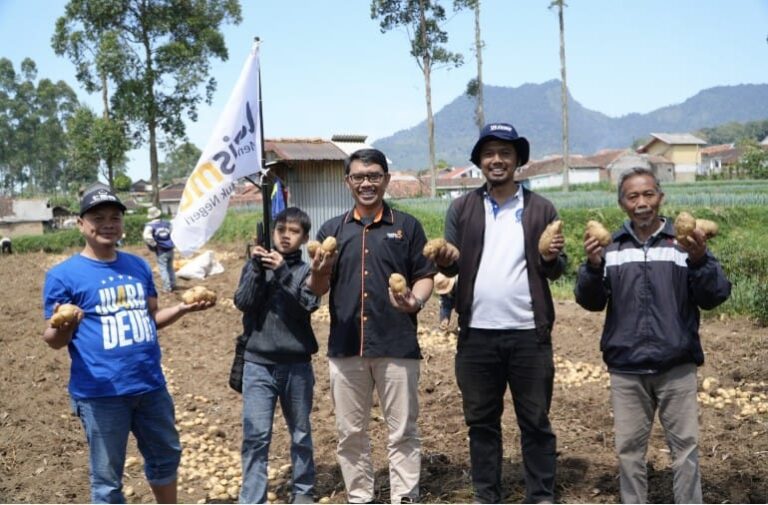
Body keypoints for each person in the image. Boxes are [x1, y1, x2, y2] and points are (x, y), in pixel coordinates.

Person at [41, 187, 214, 504]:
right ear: (81, 224)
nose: (108, 224)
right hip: (101, 394)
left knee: (165, 458)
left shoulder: (138, 267)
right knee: (107, 479)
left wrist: (181, 310)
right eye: (98, 218)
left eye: (115, 217)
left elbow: (149, 319)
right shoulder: (63, 276)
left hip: (150, 386)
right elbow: (52, 340)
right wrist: (65, 326)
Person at [574, 167, 732, 504]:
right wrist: (591, 265)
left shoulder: (685, 243)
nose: (642, 202)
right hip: (627, 369)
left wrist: (701, 259)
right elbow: (589, 301)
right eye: (633, 196)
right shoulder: (612, 248)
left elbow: (715, 295)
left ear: (660, 197)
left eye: (648, 194)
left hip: (676, 366)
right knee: (629, 452)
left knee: (686, 448)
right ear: (622, 203)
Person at [432, 123, 566, 504]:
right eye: (489, 153)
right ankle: (487, 496)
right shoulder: (462, 208)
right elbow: (453, 265)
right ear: (479, 162)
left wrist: (550, 257)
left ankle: (540, 495)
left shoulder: (541, 209)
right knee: (481, 424)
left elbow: (556, 269)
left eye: (505, 153)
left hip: (529, 333)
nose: (497, 160)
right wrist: (445, 260)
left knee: (536, 422)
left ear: (517, 161)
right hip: (476, 336)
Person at [307, 148, 435, 504]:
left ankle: (404, 497)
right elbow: (318, 290)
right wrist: (319, 268)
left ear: (386, 180)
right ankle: (360, 497)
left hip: (397, 343)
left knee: (403, 430)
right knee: (350, 432)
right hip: (346, 346)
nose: (367, 183)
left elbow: (425, 275)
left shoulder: (407, 226)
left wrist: (417, 301)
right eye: (359, 177)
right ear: (347, 181)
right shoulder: (332, 229)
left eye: (374, 176)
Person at [233, 207, 321, 504]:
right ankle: (252, 498)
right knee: (256, 437)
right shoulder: (254, 266)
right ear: (272, 232)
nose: (286, 236)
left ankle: (304, 494)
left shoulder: (306, 271)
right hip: (257, 365)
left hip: (296, 366)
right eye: (280, 229)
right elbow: (243, 303)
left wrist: (282, 272)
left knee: (300, 434)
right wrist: (258, 270)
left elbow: (307, 306)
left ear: (305, 237)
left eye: (294, 231)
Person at [143, 206, 176, 293]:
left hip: (161, 250)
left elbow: (147, 237)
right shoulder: (167, 223)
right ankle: (173, 284)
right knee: (170, 267)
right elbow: (173, 234)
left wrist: (154, 245)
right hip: (170, 248)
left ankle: (167, 288)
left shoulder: (150, 226)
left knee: (163, 268)